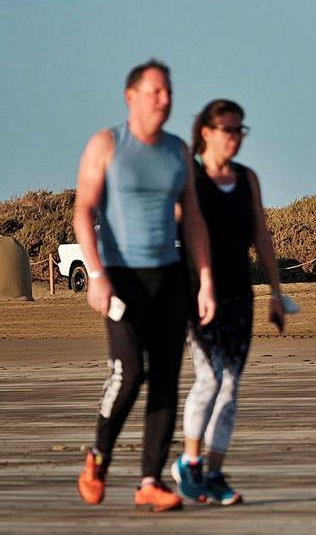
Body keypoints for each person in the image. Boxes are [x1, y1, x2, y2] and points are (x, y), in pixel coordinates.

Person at [74, 59, 217, 512]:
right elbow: (83, 212)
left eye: (169, 91)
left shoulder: (178, 152)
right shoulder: (107, 144)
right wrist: (96, 276)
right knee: (130, 371)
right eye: (155, 90)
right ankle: (98, 456)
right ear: (130, 96)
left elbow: (193, 218)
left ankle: (150, 480)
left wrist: (205, 281)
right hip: (121, 277)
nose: (165, 99)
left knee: (167, 381)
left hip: (170, 277)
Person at [171, 99, 285, 506]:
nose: (236, 138)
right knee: (209, 378)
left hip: (240, 293)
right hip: (197, 292)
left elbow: (262, 235)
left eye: (241, 130)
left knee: (232, 385)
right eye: (228, 130)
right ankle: (190, 462)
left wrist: (274, 290)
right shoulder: (189, 177)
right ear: (207, 132)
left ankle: (214, 471)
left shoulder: (246, 178)